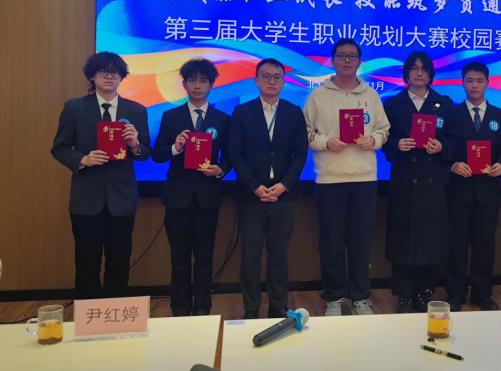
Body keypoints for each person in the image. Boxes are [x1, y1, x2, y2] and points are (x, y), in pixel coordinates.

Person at [51, 52, 150, 299]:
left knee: (119, 262)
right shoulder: (74, 108)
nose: (109, 76)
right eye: (103, 71)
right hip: (87, 199)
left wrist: (135, 144)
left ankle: (114, 316)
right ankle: (89, 317)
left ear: (122, 77)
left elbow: (145, 153)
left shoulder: (136, 110)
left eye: (114, 71)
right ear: (92, 76)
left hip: (122, 199)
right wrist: (83, 159)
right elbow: (59, 148)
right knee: (87, 263)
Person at [303, 38, 390, 316]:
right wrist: (326, 142)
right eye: (341, 55)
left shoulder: (371, 95)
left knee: (361, 242)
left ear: (360, 62)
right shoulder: (318, 96)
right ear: (332, 60)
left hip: (364, 179)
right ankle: (334, 298)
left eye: (352, 56)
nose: (347, 60)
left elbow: (384, 130)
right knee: (331, 243)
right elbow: (305, 133)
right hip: (330, 179)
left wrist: (373, 140)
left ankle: (361, 297)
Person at [228, 58, 308, 319]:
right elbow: (235, 153)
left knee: (279, 256)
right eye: (266, 76)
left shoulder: (294, 112)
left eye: (277, 77)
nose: (272, 81)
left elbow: (300, 154)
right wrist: (255, 186)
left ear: (284, 82)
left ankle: (278, 307)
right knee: (250, 257)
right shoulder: (242, 112)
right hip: (252, 196)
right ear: (256, 80)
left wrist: (284, 185)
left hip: (284, 197)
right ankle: (251, 309)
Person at [152, 58, 230, 316]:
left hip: (208, 198)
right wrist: (176, 147)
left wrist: (220, 170)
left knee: (205, 258)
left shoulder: (222, 119)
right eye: (192, 80)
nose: (198, 86)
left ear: (211, 85)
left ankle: (203, 309)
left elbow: (231, 156)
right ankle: (180, 310)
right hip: (178, 198)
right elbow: (158, 155)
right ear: (184, 84)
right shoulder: (171, 116)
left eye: (203, 81)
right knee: (179, 259)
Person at [382, 52, 455, 313]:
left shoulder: (443, 104)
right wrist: (396, 145)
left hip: (433, 183)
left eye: (424, 69)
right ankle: (403, 293)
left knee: (430, 239)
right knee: (402, 237)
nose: (419, 73)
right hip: (404, 181)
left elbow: (454, 141)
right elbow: (384, 141)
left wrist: (442, 147)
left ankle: (425, 292)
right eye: (414, 68)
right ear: (407, 73)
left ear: (431, 73)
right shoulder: (393, 104)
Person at [446, 61, 501, 311]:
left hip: (488, 190)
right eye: (469, 81)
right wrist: (453, 165)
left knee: (485, 245)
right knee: (456, 244)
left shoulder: (500, 116)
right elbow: (444, 149)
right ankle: (455, 293)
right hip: (459, 190)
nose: (474, 85)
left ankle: (482, 293)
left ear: (487, 83)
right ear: (462, 83)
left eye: (479, 81)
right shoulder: (451, 114)